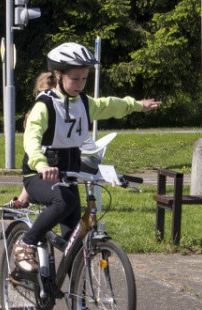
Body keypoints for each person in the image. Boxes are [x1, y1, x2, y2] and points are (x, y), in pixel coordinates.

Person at [14, 42, 160, 273]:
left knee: (75, 244)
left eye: (84, 79)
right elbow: (31, 139)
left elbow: (110, 104)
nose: (80, 84)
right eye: (75, 79)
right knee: (66, 202)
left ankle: (78, 306)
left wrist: (138, 105)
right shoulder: (45, 105)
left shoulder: (83, 102)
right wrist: (41, 165)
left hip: (69, 173)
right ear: (58, 75)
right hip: (40, 174)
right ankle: (27, 242)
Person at [4, 72, 55, 209]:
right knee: (34, 168)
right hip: (46, 156)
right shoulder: (45, 107)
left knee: (33, 166)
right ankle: (22, 200)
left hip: (48, 156)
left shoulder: (42, 107)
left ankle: (22, 200)